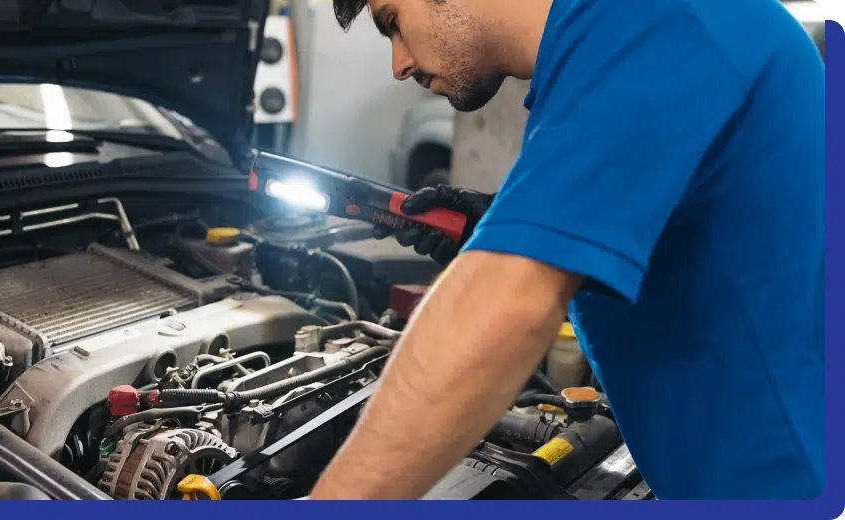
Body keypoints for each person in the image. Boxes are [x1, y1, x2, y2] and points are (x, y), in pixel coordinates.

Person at [306, 0, 825, 500]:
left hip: (791, 483)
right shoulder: (609, 43)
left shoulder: (654, 21)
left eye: (393, 22)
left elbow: (506, 307)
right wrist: (499, 223)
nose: (399, 64)